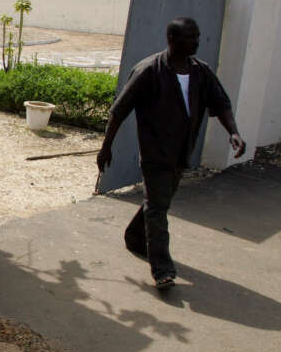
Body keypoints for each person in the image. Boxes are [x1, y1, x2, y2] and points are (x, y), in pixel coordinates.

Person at [96, 17, 246, 290]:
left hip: (181, 151)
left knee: (158, 202)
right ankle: (162, 269)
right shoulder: (149, 71)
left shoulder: (201, 72)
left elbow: (220, 103)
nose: (197, 42)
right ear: (173, 40)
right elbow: (119, 110)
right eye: (191, 38)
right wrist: (107, 146)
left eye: (198, 37)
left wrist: (233, 132)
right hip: (155, 151)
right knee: (158, 206)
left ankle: (133, 236)